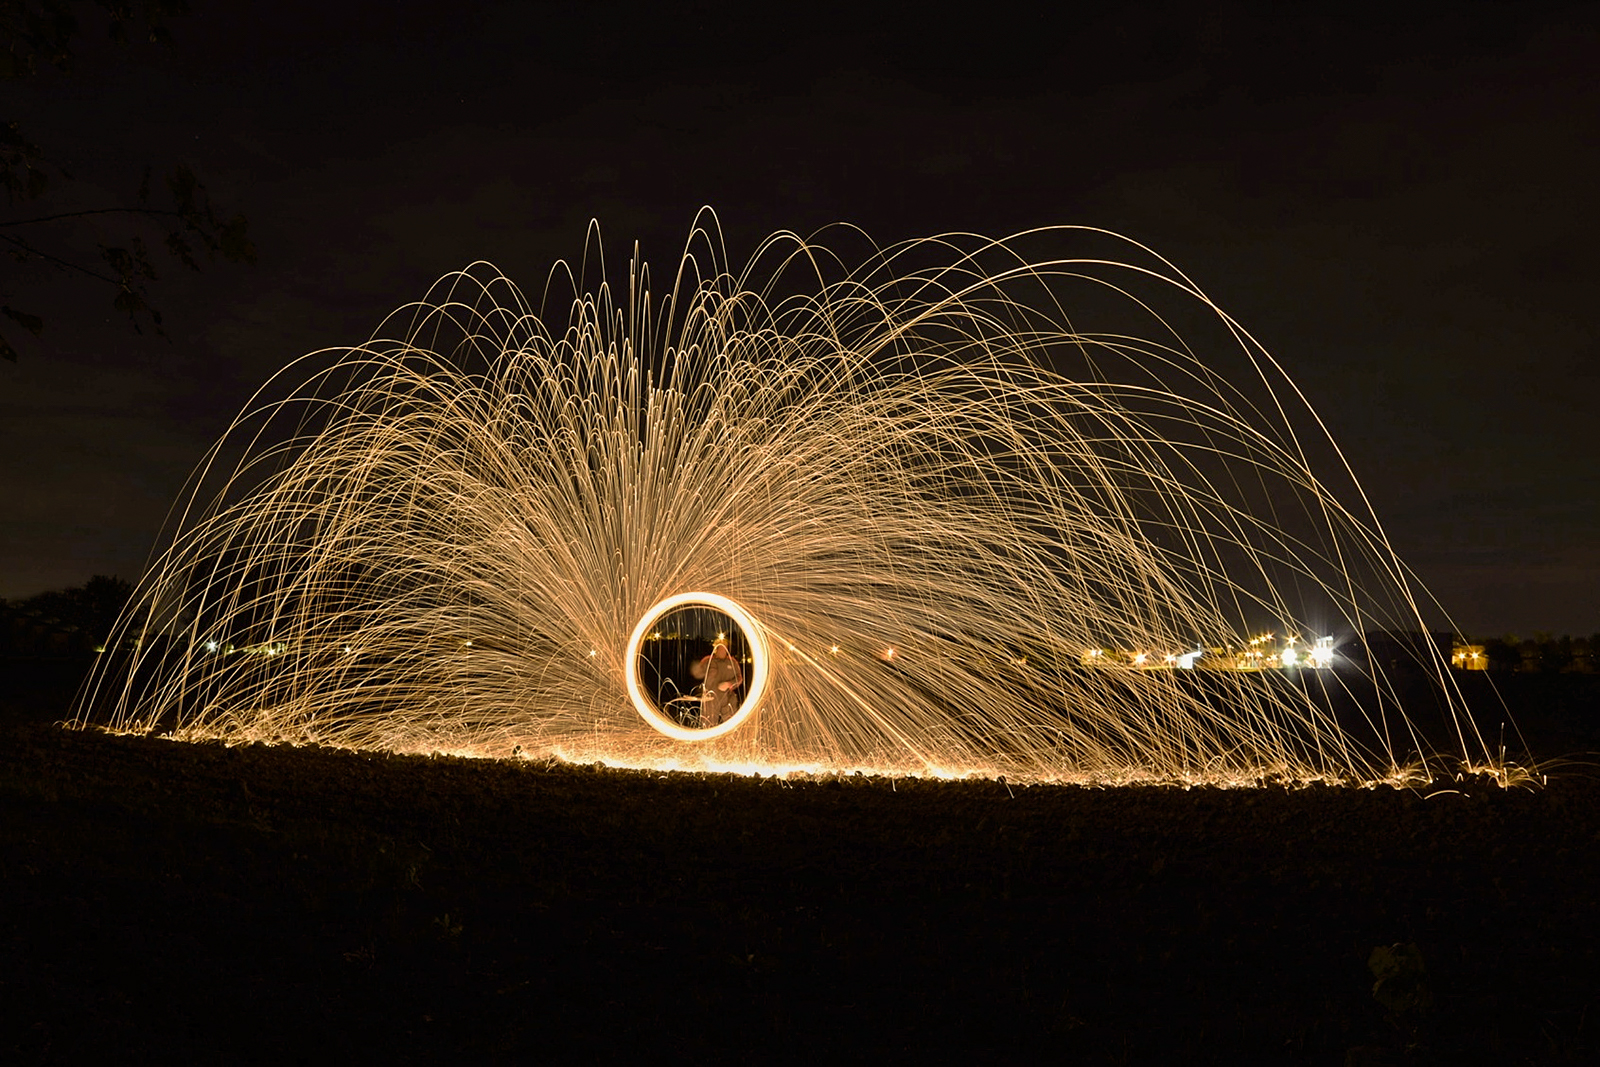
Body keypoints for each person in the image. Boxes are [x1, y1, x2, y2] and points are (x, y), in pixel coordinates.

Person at [697, 637, 744, 728]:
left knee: (730, 725)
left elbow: (739, 678)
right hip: (710, 699)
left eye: (725, 648)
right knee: (707, 725)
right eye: (720, 648)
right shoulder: (708, 661)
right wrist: (700, 694)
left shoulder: (733, 662)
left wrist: (729, 684)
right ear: (716, 649)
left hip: (728, 698)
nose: (723, 651)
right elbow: (697, 676)